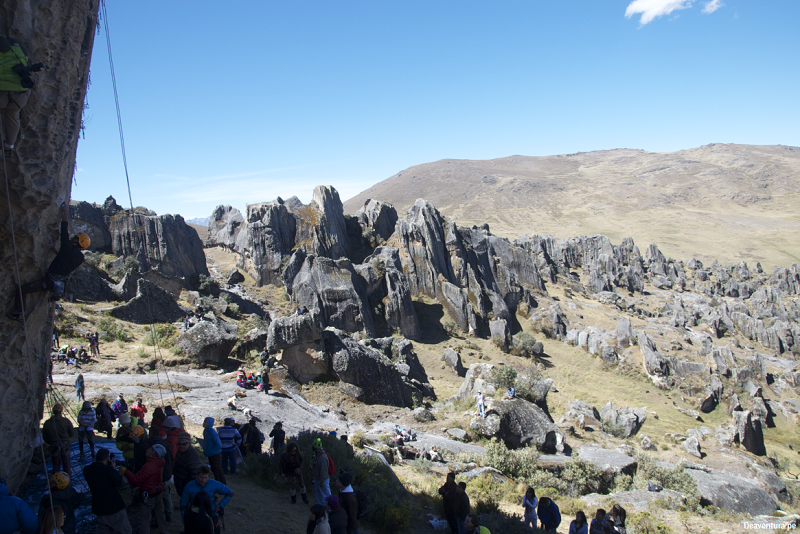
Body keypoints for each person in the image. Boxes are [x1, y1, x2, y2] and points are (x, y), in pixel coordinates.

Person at [9, 203, 89, 322]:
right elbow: (66, 261)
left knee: (22, 290)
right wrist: (57, 253)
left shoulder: (66, 247)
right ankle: (55, 295)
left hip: (49, 281)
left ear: (78, 242)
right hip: (59, 284)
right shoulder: (80, 258)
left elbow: (64, 229)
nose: (73, 238)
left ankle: (19, 314)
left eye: (75, 238)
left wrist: (65, 213)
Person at [0, 35, 45, 158]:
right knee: (13, 116)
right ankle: (9, 146)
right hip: (19, 97)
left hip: (1, 95)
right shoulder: (18, 49)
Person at [82, 448, 131, 534]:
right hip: (113, 506)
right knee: (125, 530)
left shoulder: (87, 470)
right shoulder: (108, 470)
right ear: (106, 459)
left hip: (99, 507)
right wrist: (113, 469)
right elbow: (118, 482)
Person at [122, 444, 168, 534]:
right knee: (160, 514)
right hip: (158, 491)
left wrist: (125, 472)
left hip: (150, 495)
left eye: (151, 449)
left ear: (155, 454)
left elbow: (135, 479)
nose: (148, 449)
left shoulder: (149, 465)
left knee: (143, 519)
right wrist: (142, 487)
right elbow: (151, 478)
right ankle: (164, 531)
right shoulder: (159, 462)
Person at [180, 465, 233, 533]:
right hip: (195, 515)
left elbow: (230, 492)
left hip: (211, 513)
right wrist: (185, 521)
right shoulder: (189, 486)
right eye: (201, 477)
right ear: (197, 475)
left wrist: (220, 505)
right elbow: (183, 505)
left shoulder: (214, 484)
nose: (203, 480)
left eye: (206, 478)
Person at [42, 404, 74, 476]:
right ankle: (68, 479)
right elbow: (72, 433)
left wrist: (51, 442)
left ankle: (56, 480)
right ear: (61, 411)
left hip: (54, 445)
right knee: (66, 463)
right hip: (65, 444)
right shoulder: (66, 421)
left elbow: (44, 437)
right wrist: (65, 437)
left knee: (56, 464)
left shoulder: (47, 423)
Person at [174, 432, 201, 496]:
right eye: (179, 444)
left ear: (189, 443)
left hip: (187, 485)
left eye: (184, 444)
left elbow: (195, 473)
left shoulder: (193, 455)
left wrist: (191, 487)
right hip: (180, 483)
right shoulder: (179, 452)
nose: (181, 446)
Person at [202, 417, 225, 484]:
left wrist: (212, 452)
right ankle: (217, 483)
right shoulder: (205, 431)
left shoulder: (212, 432)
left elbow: (219, 445)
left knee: (218, 470)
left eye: (206, 422)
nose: (204, 423)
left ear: (209, 423)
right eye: (204, 421)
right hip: (210, 454)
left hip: (215, 454)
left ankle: (223, 484)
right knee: (214, 470)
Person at [311, 438, 332, 505]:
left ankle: (330, 508)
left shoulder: (322, 457)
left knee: (325, 494)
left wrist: (322, 481)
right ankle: (321, 507)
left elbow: (324, 470)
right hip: (317, 478)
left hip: (322, 480)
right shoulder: (316, 455)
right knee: (318, 493)